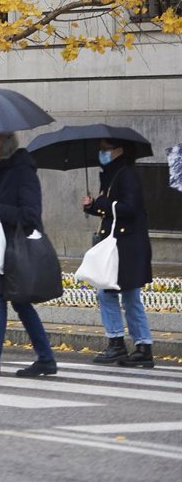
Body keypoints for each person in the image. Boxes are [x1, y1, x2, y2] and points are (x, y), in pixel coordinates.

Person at [0, 132, 58, 378]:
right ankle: (45, 358)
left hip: (16, 247)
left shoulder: (22, 172)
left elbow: (30, 214)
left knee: (1, 298)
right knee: (19, 303)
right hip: (1, 246)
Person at [84, 138, 154, 368]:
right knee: (128, 296)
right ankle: (142, 347)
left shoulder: (126, 175)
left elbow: (130, 208)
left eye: (106, 149)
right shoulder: (112, 174)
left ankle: (118, 344)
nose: (102, 153)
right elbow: (111, 210)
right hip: (120, 245)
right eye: (101, 149)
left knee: (109, 293)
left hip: (127, 247)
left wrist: (102, 203)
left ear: (119, 151)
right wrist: (92, 206)